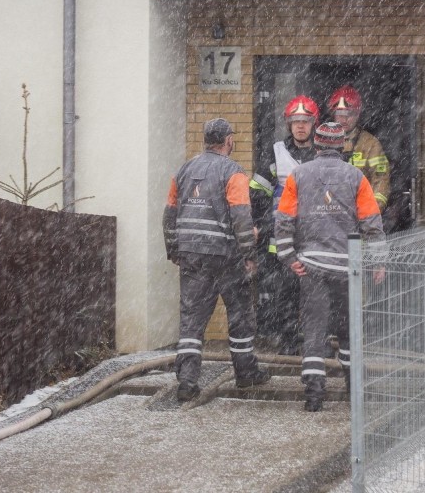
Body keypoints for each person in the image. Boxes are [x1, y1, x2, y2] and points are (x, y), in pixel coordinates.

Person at [274, 122, 387, 412]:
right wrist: (378, 261)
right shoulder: (356, 177)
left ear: (317, 144)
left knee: (314, 330)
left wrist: (289, 258)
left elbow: (283, 220)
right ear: (341, 146)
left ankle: (314, 395)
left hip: (311, 267)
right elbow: (372, 223)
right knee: (349, 329)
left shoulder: (299, 175)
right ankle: (353, 389)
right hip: (347, 267)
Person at [163, 117, 271, 401]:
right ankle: (246, 375)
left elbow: (169, 214)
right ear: (228, 141)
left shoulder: (184, 170)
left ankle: (187, 381)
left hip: (191, 255)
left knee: (192, 319)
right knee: (240, 315)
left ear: (205, 141)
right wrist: (249, 254)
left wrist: (173, 248)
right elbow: (240, 216)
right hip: (226, 256)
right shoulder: (233, 172)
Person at [249, 95, 319, 355]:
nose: (300, 126)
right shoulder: (276, 152)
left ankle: (314, 343)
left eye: (305, 121)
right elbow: (258, 191)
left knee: (315, 294)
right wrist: (258, 224)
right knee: (285, 293)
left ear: (314, 123)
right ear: (288, 124)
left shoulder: (323, 152)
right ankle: (288, 342)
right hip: (282, 237)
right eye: (295, 121)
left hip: (314, 237)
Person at [328, 85, 391, 213]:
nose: (344, 119)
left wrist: (370, 212)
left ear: (357, 115)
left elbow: (381, 181)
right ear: (333, 115)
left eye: (349, 114)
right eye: (340, 114)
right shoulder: (324, 142)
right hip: (329, 217)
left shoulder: (370, 144)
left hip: (360, 217)